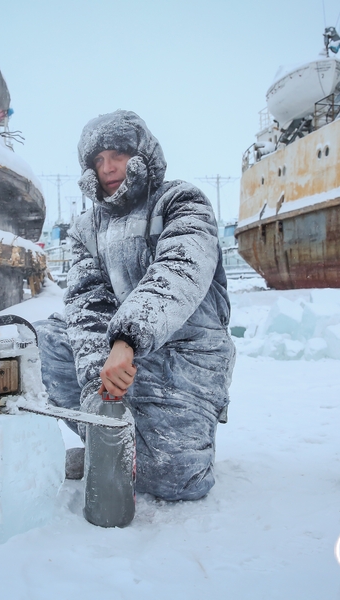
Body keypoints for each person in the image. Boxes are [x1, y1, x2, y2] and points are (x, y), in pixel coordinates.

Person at [35, 110, 235, 501]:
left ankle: (157, 445)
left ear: (141, 153)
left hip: (186, 358)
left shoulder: (182, 201)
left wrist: (127, 339)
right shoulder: (85, 229)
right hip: (118, 360)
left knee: (175, 484)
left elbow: (178, 270)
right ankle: (108, 440)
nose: (108, 167)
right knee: (42, 343)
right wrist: (97, 382)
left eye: (118, 155)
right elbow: (87, 303)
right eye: (98, 160)